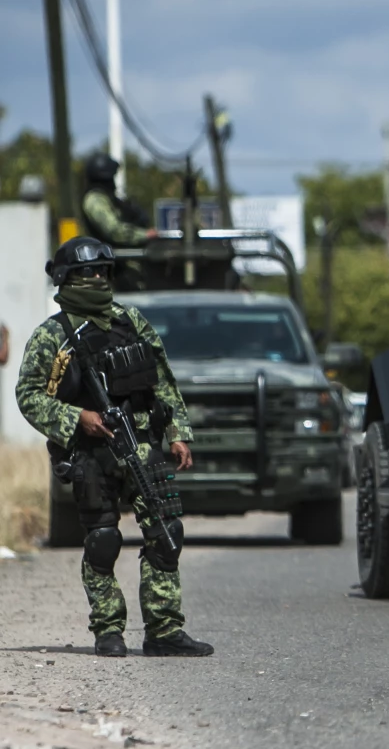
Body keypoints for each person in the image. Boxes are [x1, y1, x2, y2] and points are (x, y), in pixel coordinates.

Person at [15, 237, 213, 658]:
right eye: (88, 273)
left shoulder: (131, 321)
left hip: (141, 445)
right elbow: (28, 394)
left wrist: (178, 432)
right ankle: (108, 631)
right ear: (67, 279)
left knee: (166, 533)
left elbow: (162, 380)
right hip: (91, 453)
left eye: (103, 271)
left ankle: (163, 631)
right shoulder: (53, 335)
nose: (97, 279)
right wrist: (77, 419)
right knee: (103, 541)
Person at [80, 154, 159, 291]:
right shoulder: (95, 200)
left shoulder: (108, 199)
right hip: (114, 272)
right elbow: (114, 231)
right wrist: (145, 235)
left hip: (124, 268)